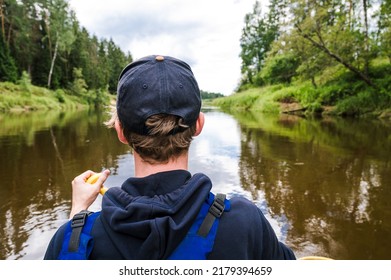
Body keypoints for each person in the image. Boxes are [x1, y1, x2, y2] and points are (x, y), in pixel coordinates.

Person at [44, 55, 296, 260]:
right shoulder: (245, 223)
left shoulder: (76, 240)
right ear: (198, 125)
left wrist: (77, 215)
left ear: (120, 131)